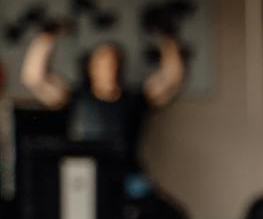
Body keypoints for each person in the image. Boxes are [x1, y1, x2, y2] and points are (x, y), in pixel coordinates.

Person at [20, 20, 187, 194]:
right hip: (84, 177)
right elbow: (34, 79)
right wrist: (46, 37)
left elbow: (172, 79)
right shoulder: (75, 98)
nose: (109, 67)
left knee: (161, 215)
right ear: (92, 67)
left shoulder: (135, 98)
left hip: (127, 177)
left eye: (114, 62)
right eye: (103, 62)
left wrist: (167, 39)